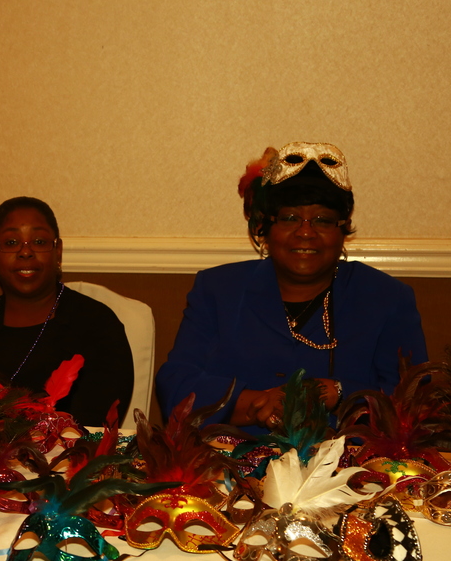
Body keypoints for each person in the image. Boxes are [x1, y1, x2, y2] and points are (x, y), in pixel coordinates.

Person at [156, 142, 427, 436]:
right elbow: (176, 384)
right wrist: (259, 404)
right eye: (289, 218)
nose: (306, 232)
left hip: (347, 461)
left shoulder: (387, 298)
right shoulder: (218, 289)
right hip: (225, 457)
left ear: (343, 227)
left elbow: (415, 402)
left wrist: (338, 393)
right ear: (265, 226)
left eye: (322, 220)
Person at [0, 196, 134, 427]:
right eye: (11, 242)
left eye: (38, 241)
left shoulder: (98, 327)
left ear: (58, 251)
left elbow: (94, 427)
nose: (25, 252)